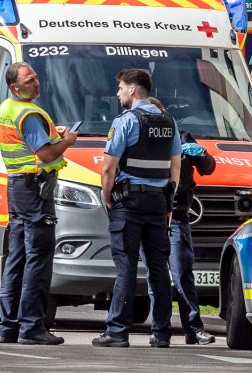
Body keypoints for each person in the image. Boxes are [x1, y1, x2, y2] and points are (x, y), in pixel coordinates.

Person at [93, 69, 180, 349]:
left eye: (120, 88)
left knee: (127, 267)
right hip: (158, 202)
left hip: (129, 203)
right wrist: (168, 202)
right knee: (158, 268)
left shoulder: (126, 121)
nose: (118, 93)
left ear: (132, 90)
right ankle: (163, 333)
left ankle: (118, 332)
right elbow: (175, 167)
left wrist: (107, 197)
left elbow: (108, 167)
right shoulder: (169, 121)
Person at [0, 62, 76, 345]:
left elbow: (30, 143)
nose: (37, 83)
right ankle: (32, 327)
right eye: (30, 81)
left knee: (16, 260)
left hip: (17, 188)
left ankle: (8, 327)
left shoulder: (6, 108)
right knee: (38, 260)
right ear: (15, 87)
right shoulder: (28, 113)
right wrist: (68, 141)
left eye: (36, 78)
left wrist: (55, 134)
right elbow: (44, 153)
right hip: (34, 189)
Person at [145, 98, 217, 345]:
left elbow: (208, 168)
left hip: (176, 216)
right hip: (151, 215)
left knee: (182, 273)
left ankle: (194, 329)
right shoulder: (143, 139)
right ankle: (160, 331)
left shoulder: (183, 136)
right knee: (157, 278)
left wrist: (201, 153)